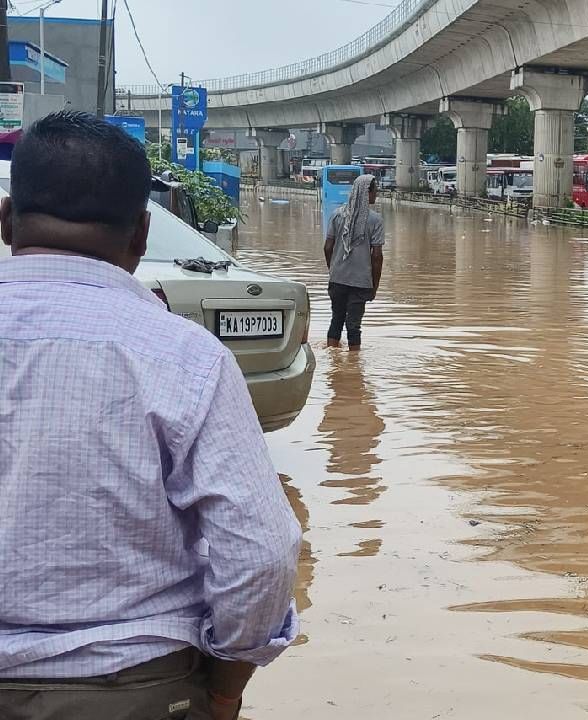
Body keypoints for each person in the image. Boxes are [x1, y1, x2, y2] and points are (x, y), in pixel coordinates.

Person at [0, 112, 300, 718]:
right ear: (140, 235)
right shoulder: (186, 356)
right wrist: (226, 684)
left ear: (5, 219)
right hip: (134, 687)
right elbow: (262, 555)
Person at [325, 174, 385, 350]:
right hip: (360, 281)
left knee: (336, 320)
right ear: (367, 193)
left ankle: (332, 361)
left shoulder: (337, 215)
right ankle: (354, 366)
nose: (376, 195)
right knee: (354, 326)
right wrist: (374, 286)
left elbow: (328, 247)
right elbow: (377, 257)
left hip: (337, 279)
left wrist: (334, 270)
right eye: (375, 191)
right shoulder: (375, 220)